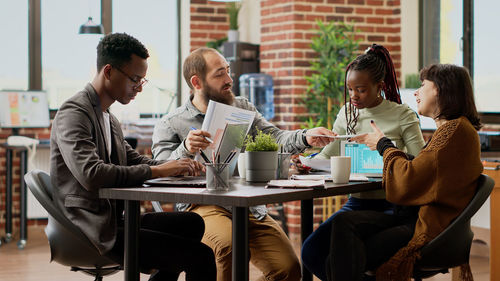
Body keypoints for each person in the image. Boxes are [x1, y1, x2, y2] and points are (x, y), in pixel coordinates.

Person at [151, 47, 335, 281]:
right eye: (219, 74)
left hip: (246, 204)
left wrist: (305, 137)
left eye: (228, 71)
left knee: (287, 269)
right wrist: (185, 148)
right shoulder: (171, 123)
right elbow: (159, 171)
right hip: (202, 205)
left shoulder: (242, 107)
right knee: (228, 246)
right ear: (197, 82)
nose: (229, 80)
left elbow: (275, 138)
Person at [50, 33, 216, 281]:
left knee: (192, 223)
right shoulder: (74, 112)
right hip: (89, 227)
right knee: (200, 256)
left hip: (112, 219)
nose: (139, 87)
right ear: (108, 71)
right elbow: (91, 174)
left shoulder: (109, 117)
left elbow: (136, 161)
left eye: (142, 80)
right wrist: (159, 171)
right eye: (135, 79)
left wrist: (173, 166)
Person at [327, 63, 483, 281]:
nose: (417, 92)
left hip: (427, 226)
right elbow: (424, 168)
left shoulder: (453, 131)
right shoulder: (456, 129)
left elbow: (410, 180)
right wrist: (388, 148)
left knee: (345, 250)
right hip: (427, 219)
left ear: (439, 89)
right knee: (342, 225)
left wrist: (383, 145)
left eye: (422, 85)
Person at [301, 44, 425, 280]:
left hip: (392, 205)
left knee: (342, 257)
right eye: (350, 89)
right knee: (311, 252)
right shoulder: (347, 113)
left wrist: (384, 144)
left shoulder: (403, 114)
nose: (354, 96)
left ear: (380, 86)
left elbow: (419, 164)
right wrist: (307, 162)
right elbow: (329, 154)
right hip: (357, 203)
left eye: (361, 89)